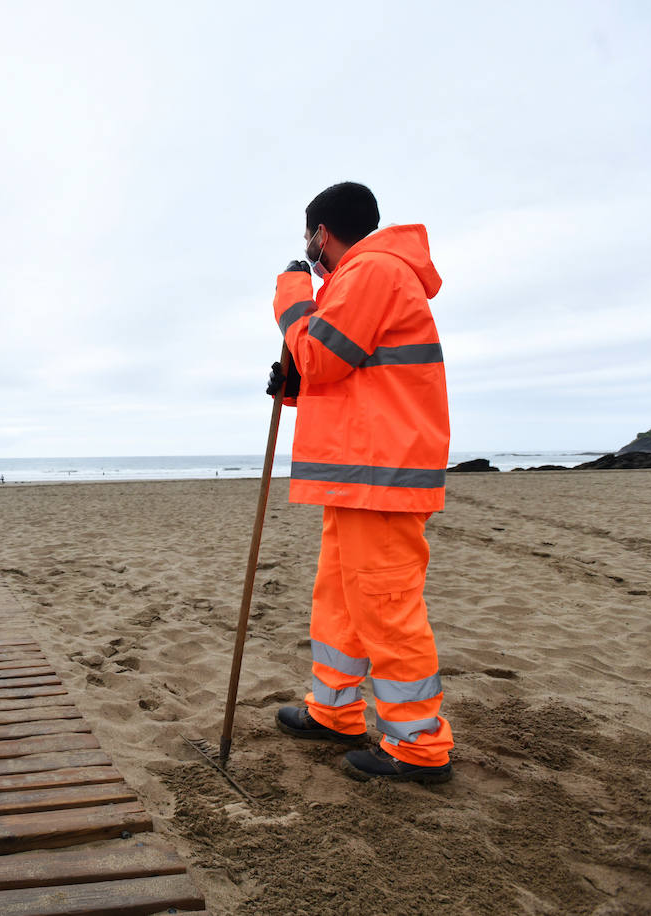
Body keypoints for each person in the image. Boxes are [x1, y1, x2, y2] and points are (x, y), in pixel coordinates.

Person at [267, 181, 454, 784]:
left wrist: (293, 300)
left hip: (380, 475)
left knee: (385, 605)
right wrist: (292, 382)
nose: (309, 250)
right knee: (341, 601)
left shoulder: (370, 269)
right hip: (357, 473)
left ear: (320, 234)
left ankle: (418, 747)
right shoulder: (364, 277)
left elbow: (324, 355)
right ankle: (335, 711)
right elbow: (347, 376)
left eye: (309, 239)